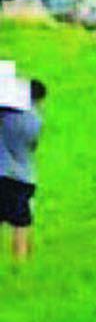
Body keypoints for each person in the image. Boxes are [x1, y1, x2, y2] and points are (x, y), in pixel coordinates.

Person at [1, 79, 45, 261]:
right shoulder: (35, 120)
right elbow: (32, 146)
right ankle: (20, 262)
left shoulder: (6, 114)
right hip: (21, 177)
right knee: (20, 223)